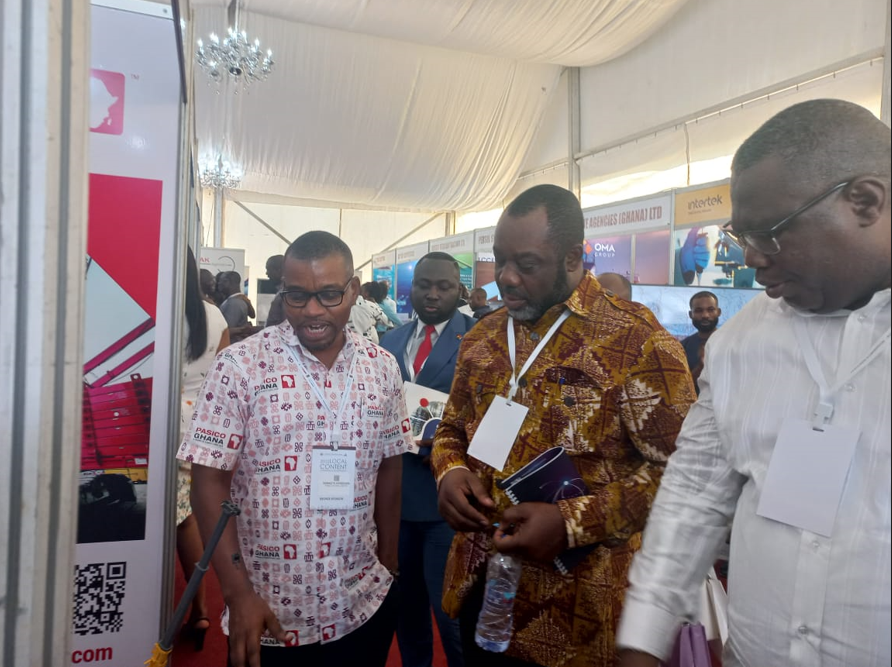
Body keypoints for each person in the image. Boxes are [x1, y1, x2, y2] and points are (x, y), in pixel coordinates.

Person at [617, 99, 891, 667]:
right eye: (740, 236)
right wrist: (644, 636)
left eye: (769, 234)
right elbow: (694, 494)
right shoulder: (742, 344)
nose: (751, 259)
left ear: (865, 201)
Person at [432, 184, 696, 667]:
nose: (506, 279)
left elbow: (683, 476)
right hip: (478, 584)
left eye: (527, 265)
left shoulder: (640, 343)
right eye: (499, 260)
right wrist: (449, 471)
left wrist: (572, 523)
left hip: (581, 615)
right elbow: (451, 428)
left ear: (574, 256)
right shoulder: (484, 337)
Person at [179, 231, 415, 667]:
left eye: (329, 295)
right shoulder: (240, 365)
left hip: (362, 603)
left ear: (354, 290)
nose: (312, 312)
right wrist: (238, 594)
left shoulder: (382, 368)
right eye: (297, 296)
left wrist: (389, 561)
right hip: (271, 615)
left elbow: (391, 464)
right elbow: (208, 480)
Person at [380, 252, 474, 667]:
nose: (432, 294)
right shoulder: (390, 341)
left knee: (451, 614)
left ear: (459, 290)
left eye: (443, 286)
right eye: (424, 285)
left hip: (446, 502)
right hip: (395, 499)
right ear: (411, 287)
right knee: (405, 609)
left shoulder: (477, 341)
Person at [175, 247, 230, 651]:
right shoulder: (214, 316)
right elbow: (224, 376)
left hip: (155, 424)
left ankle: (197, 606)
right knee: (188, 518)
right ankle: (201, 606)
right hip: (201, 425)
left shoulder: (158, 311)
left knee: (174, 520)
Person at [679, 291, 721, 394]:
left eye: (710, 310)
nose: (705, 315)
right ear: (690, 314)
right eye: (698, 311)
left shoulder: (733, 342)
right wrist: (701, 367)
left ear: (718, 312)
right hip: (694, 407)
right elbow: (680, 388)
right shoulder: (683, 347)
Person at [264, 254, 287, 327]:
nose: (267, 273)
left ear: (279, 270)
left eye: (269, 269)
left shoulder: (286, 295)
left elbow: (284, 327)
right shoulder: (281, 292)